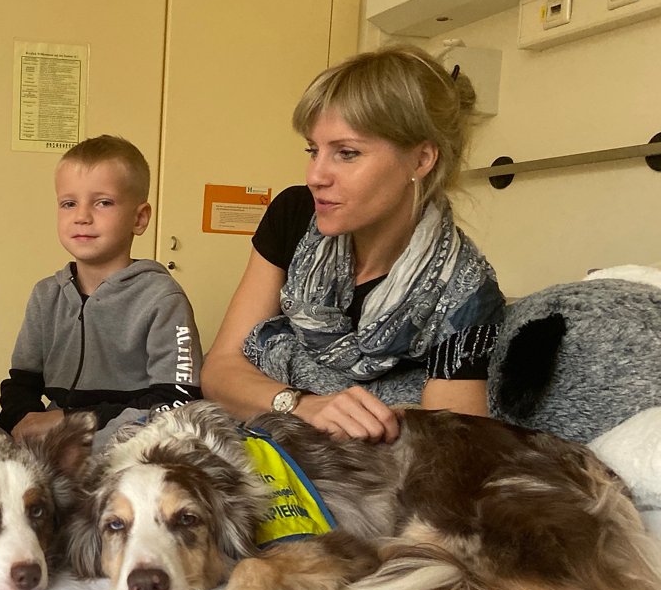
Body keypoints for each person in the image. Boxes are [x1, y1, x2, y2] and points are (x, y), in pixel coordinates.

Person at [200, 45, 505, 442]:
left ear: (421, 160)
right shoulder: (294, 214)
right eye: (313, 150)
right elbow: (220, 369)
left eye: (346, 153)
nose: (315, 175)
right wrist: (303, 405)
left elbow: (451, 449)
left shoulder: (467, 296)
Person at [0, 134, 203, 445]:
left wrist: (73, 421)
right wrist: (23, 420)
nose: (81, 216)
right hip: (55, 447)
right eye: (69, 203)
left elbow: (178, 399)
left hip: (130, 446)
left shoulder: (162, 298)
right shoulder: (45, 295)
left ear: (139, 218)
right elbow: (20, 384)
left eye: (103, 202)